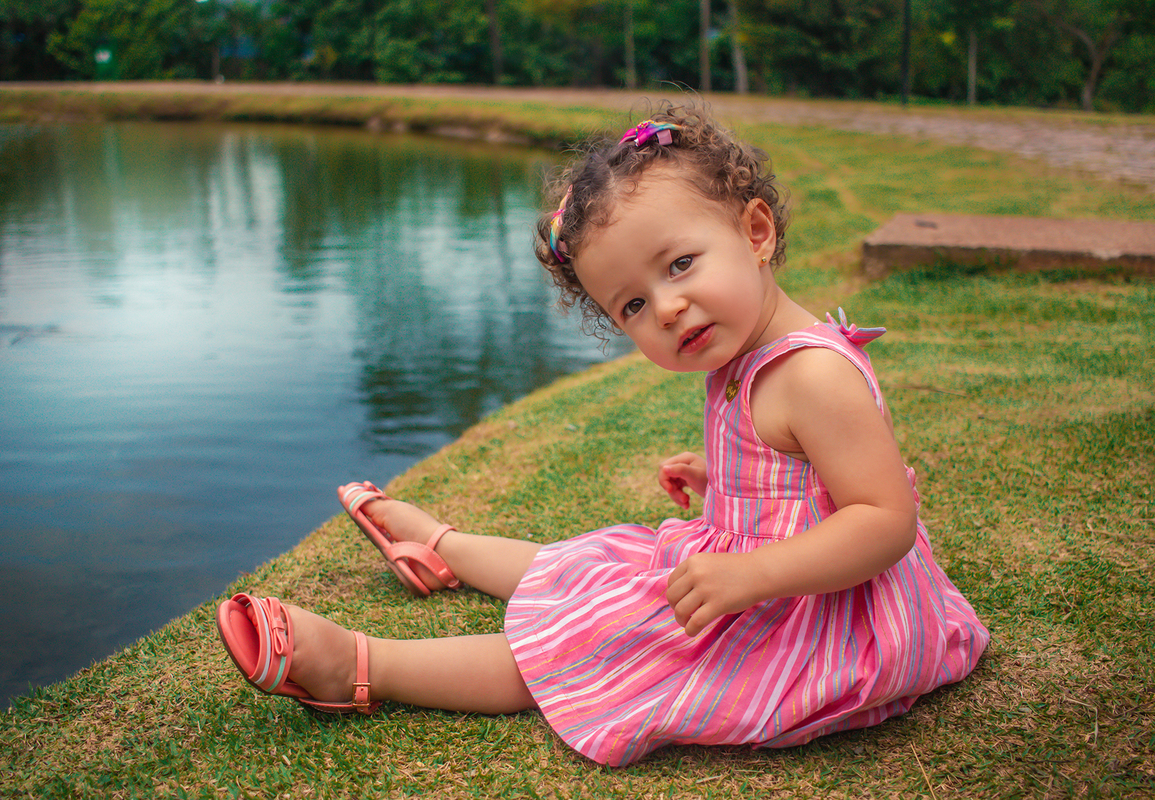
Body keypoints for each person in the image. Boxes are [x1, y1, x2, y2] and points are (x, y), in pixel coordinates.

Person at [216, 101, 989, 768]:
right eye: (633, 307)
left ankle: (359, 664)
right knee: (591, 567)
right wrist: (727, 480)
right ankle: (443, 550)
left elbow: (884, 521)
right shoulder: (744, 343)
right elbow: (805, 476)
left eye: (682, 264)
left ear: (755, 231)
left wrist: (752, 576)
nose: (670, 309)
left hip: (811, 613)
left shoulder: (813, 375)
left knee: (599, 647)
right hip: (753, 565)